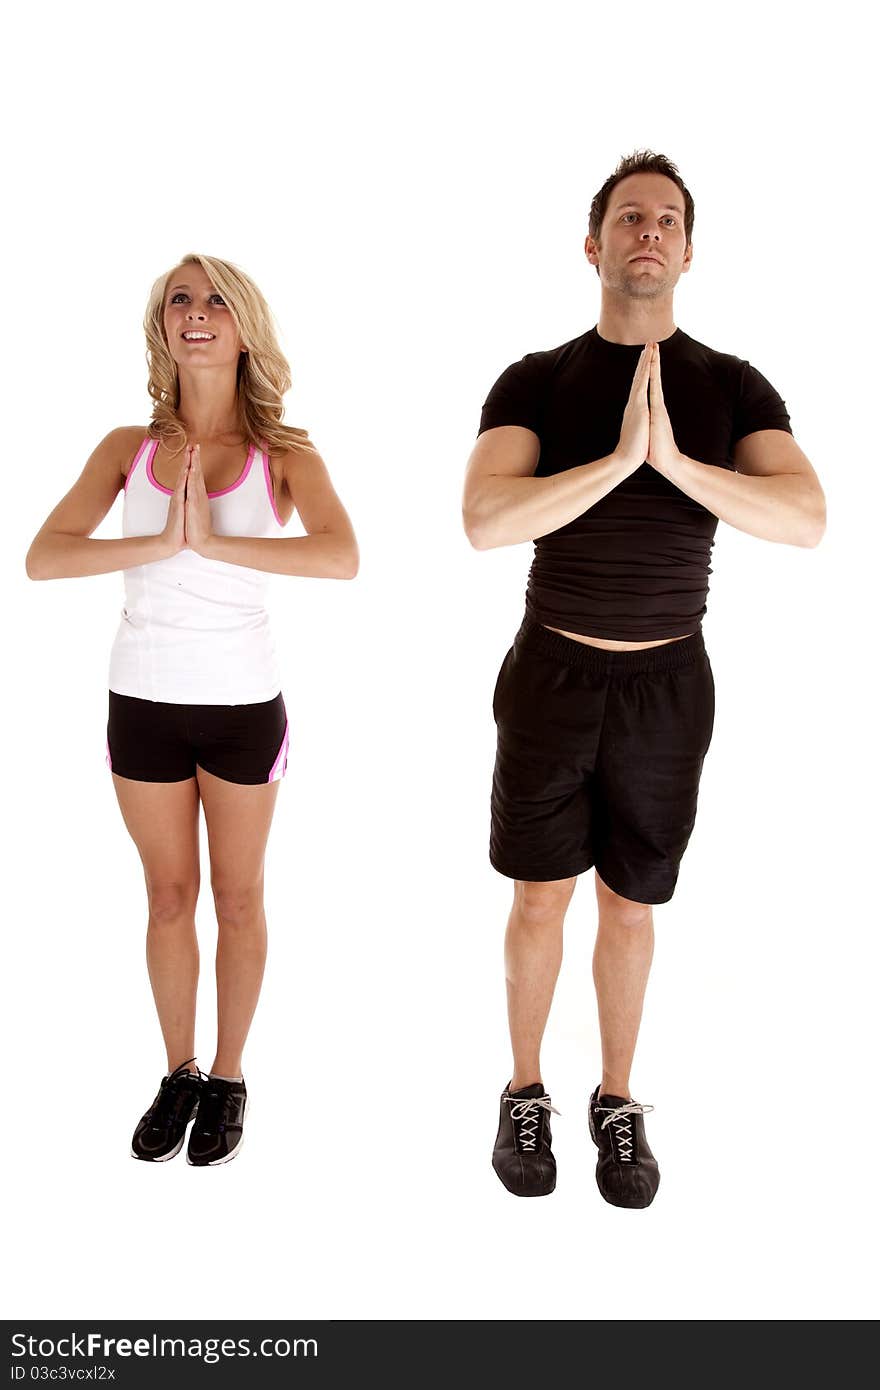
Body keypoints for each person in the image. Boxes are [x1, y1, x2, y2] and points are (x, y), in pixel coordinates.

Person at [462, 151, 826, 1206]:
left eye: (666, 219)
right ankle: (524, 1089)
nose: (647, 232)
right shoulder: (535, 379)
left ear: (689, 249)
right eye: (628, 217)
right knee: (540, 898)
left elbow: (804, 518)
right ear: (594, 244)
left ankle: (616, 1102)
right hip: (552, 674)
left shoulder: (730, 385)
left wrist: (675, 463)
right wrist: (617, 462)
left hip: (670, 688)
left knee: (630, 906)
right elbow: (485, 520)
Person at [26, 253, 358, 1166]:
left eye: (216, 299)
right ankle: (177, 1073)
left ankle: (229, 1074)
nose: (197, 312)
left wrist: (214, 544)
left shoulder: (284, 454)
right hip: (142, 700)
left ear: (244, 323)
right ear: (161, 325)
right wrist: (159, 537)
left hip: (241, 704)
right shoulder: (125, 450)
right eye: (180, 299)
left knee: (238, 896)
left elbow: (342, 556)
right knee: (169, 899)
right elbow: (43, 558)